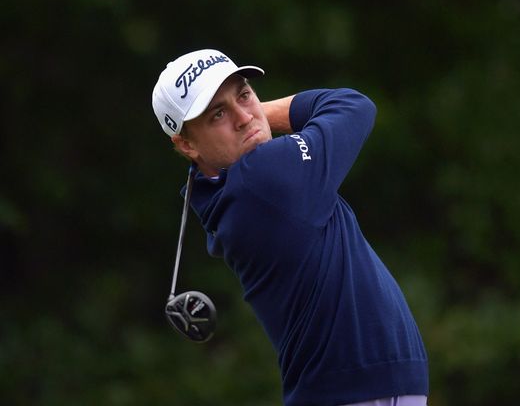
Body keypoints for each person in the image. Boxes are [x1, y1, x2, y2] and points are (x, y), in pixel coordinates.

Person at [151, 49, 429, 406]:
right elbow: (352, 106)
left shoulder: (231, 192)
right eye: (218, 113)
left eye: (245, 94)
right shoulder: (265, 176)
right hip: (359, 393)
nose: (243, 115)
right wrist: (259, 115)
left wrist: (242, 118)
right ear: (187, 144)